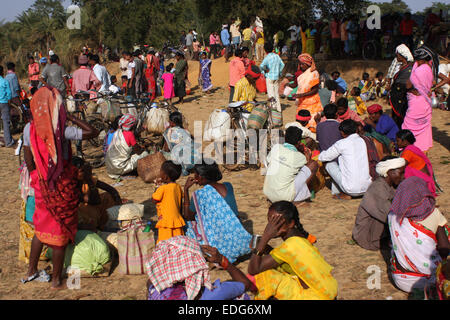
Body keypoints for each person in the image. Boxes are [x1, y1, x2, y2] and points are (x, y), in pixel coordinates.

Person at [21, 86, 99, 289]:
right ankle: (56, 279)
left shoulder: (29, 128)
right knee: (59, 232)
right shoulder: (62, 129)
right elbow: (93, 131)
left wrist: (36, 177)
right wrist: (72, 117)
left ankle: (31, 271)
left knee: (41, 228)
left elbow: (28, 156)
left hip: (41, 184)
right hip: (61, 184)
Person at [248, 201, 338, 300]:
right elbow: (286, 260)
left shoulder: (289, 246)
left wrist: (265, 237)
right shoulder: (301, 240)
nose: (271, 227)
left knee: (265, 276)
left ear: (291, 223)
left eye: (277, 222)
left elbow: (253, 270)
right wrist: (265, 247)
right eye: (270, 222)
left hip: (315, 296)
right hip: (329, 292)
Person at [388, 176, 449, 294]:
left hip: (401, 280)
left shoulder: (392, 215)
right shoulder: (433, 213)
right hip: (431, 280)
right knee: (444, 230)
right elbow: (444, 248)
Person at [183, 161, 252, 263]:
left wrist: (185, 190)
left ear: (202, 177)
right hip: (237, 241)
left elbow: (188, 216)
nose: (194, 177)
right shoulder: (228, 186)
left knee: (187, 224)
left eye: (196, 175)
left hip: (219, 249)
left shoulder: (199, 195)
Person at [146, 236, 255, 300]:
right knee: (240, 297)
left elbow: (154, 278)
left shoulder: (154, 288)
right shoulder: (210, 295)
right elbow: (246, 284)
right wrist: (221, 259)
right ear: (195, 265)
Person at [352, 156, 406, 251]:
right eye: (401, 173)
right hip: (369, 237)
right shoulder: (377, 189)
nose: (403, 176)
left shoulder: (391, 186)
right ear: (389, 172)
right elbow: (391, 216)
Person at [318, 119, 372, 200]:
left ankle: (338, 192)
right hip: (367, 188)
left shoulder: (342, 143)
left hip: (350, 189)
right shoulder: (362, 141)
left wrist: (320, 153)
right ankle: (342, 191)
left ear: (342, 133)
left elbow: (323, 157)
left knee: (328, 163)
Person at [263, 126, 318, 204]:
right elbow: (307, 169)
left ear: (285, 138)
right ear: (299, 142)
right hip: (284, 197)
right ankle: (299, 198)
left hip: (268, 193)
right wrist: (308, 156)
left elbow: (269, 161)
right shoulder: (300, 157)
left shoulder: (276, 148)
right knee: (313, 165)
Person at [403, 46, 439, 153]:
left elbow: (408, 85)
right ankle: (423, 150)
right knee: (423, 127)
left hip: (417, 102)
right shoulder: (429, 69)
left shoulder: (419, 70)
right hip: (425, 103)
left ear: (423, 59)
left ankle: (413, 150)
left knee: (409, 124)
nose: (416, 61)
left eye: (418, 59)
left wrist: (413, 69)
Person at [72, 157, 122, 232]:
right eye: (81, 171)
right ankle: (95, 228)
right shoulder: (70, 186)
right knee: (84, 208)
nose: (84, 172)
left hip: (93, 211)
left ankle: (102, 225)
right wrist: (89, 179)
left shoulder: (87, 179)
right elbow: (94, 201)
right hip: (81, 217)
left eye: (84, 170)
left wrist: (118, 202)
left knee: (107, 196)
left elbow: (111, 190)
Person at [105, 114, 148, 179]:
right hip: (119, 167)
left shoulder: (117, 132)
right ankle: (125, 172)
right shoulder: (130, 134)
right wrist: (143, 148)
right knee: (145, 154)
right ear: (132, 125)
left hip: (110, 167)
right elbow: (138, 152)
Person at [152, 161, 185, 243]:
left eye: (161, 171)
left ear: (166, 177)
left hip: (166, 222)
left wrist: (156, 187)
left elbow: (154, 200)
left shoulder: (162, 189)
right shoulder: (178, 187)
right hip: (177, 221)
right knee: (178, 243)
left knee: (165, 244)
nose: (159, 173)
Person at [396, 129, 436, 197]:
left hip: (421, 180)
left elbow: (401, 166)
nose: (396, 143)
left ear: (405, 142)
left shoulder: (408, 152)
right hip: (426, 178)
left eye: (398, 141)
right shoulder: (413, 148)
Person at [162, 112, 199, 176]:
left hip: (183, 166)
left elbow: (166, 149)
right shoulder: (186, 131)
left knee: (162, 153)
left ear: (171, 123)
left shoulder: (168, 132)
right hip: (195, 161)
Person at [386, 44, 414, 128]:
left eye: (397, 55)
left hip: (403, 97)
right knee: (395, 117)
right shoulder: (399, 65)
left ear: (402, 56)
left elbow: (404, 84)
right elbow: (392, 78)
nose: (396, 56)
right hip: (396, 96)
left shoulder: (409, 68)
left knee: (401, 117)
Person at [293, 54, 322, 130]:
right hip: (303, 102)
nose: (301, 66)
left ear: (308, 64)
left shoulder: (314, 73)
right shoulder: (304, 74)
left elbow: (315, 89)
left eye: (303, 64)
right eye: (300, 64)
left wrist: (301, 95)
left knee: (311, 124)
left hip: (312, 103)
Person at [260, 42, 285, 112]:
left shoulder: (267, 57)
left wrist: (264, 71)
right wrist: (279, 72)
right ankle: (279, 109)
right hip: (276, 77)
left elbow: (261, 66)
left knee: (271, 94)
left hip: (269, 77)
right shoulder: (277, 56)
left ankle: (273, 109)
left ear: (265, 50)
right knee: (276, 93)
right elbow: (282, 65)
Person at [0, 66, 13, 148]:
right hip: (4, 103)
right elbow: (9, 94)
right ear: (2, 72)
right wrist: (9, 103)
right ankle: (8, 142)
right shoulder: (4, 81)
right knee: (6, 122)